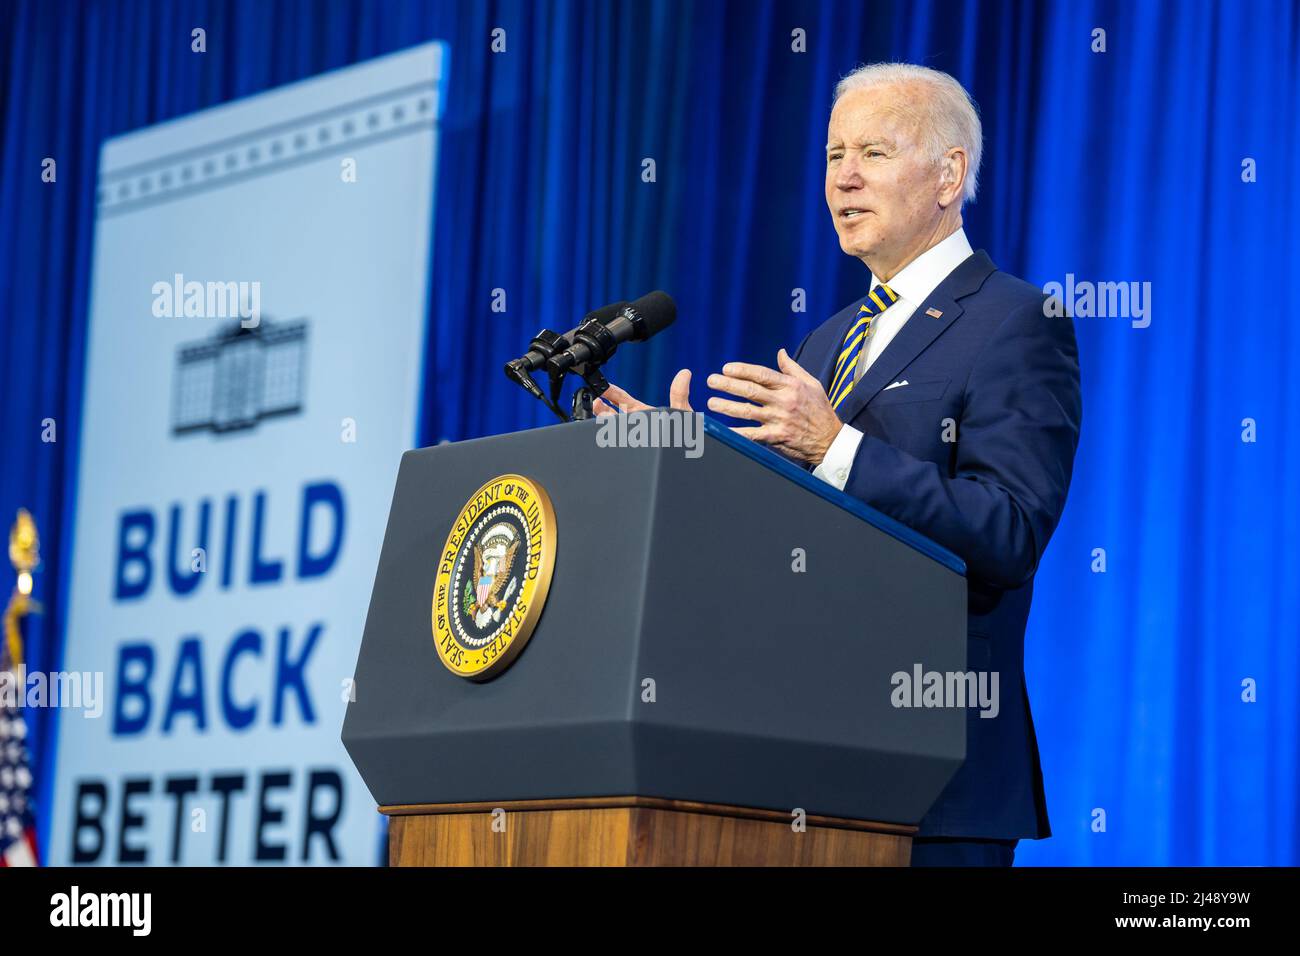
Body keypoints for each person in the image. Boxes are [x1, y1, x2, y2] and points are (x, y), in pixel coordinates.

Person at [597, 62, 1082, 867]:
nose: (843, 178)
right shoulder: (830, 339)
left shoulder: (1018, 321)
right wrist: (694, 468)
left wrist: (835, 445)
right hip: (798, 771)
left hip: (935, 785)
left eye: (873, 154)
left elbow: (1010, 529)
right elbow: (793, 537)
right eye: (832, 156)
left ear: (948, 175)